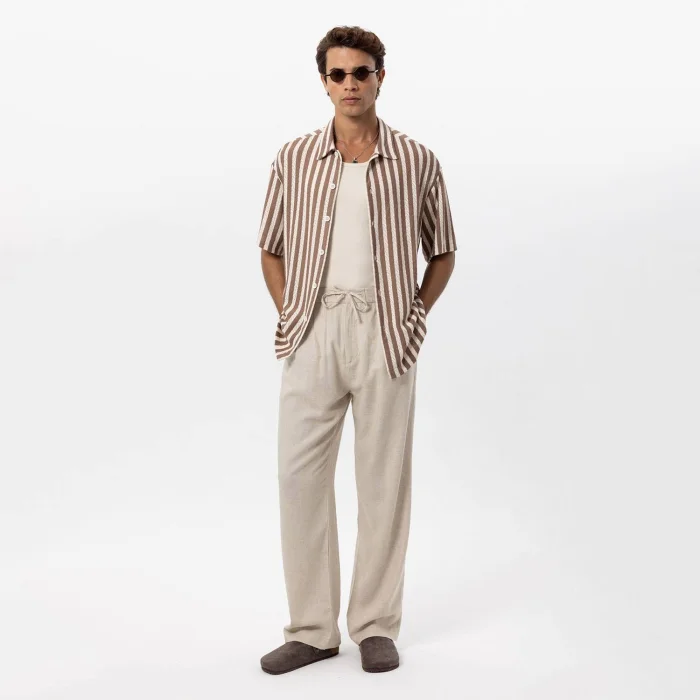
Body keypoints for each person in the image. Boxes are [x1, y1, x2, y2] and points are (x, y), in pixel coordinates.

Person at [257, 25, 457, 675]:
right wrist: (293, 312)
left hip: (385, 333)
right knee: (299, 479)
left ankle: (374, 624)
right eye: (338, 74)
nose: (350, 84)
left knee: (382, 483)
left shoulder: (417, 160)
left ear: (380, 78)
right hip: (312, 328)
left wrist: (412, 315)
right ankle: (312, 629)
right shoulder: (293, 158)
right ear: (324, 82)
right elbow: (270, 247)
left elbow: (443, 251)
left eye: (361, 72)